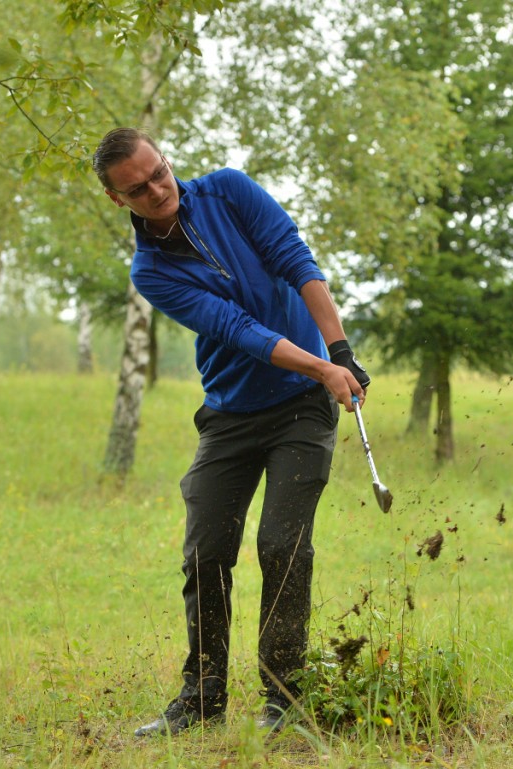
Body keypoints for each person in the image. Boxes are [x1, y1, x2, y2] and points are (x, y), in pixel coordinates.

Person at [92, 127, 371, 737]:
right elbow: (236, 327)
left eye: (159, 172)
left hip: (302, 405)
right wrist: (323, 366)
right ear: (119, 201)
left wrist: (340, 349)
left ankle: (285, 699)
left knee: (282, 545)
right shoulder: (151, 271)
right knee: (207, 552)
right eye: (138, 190)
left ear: (166, 159)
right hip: (231, 414)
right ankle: (202, 698)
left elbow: (296, 261)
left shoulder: (230, 192)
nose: (158, 190)